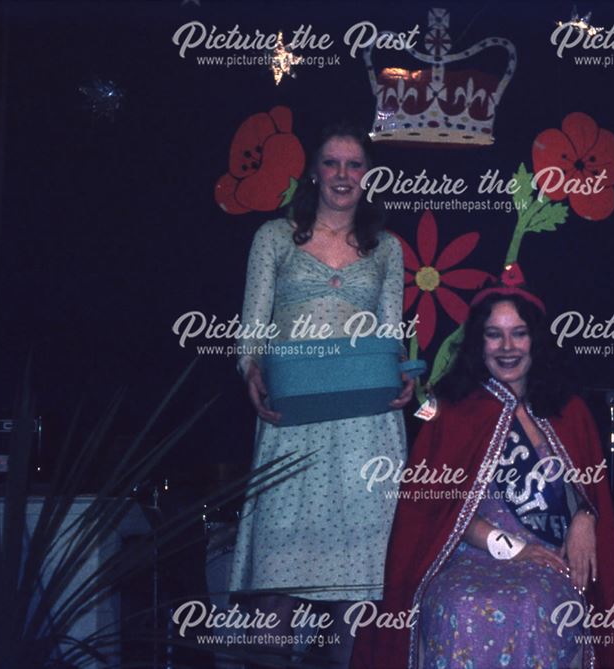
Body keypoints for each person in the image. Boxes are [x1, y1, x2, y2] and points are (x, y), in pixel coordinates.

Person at [353, 278, 614, 669]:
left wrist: (585, 518)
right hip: (467, 555)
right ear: (478, 343)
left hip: (551, 560)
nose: (507, 348)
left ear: (535, 342)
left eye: (518, 334)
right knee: (462, 604)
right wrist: (515, 548)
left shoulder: (568, 410)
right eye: (494, 335)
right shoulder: (451, 409)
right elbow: (438, 511)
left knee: (532, 602)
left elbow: (591, 496)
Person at [229, 123, 414, 668]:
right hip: (295, 415)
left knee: (357, 585)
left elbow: (390, 332)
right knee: (278, 574)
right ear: (314, 171)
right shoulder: (274, 237)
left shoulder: (387, 248)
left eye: (354, 165)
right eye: (332, 164)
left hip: (366, 424)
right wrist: (250, 371)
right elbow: (251, 330)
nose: (342, 175)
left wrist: (404, 377)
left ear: (367, 175)